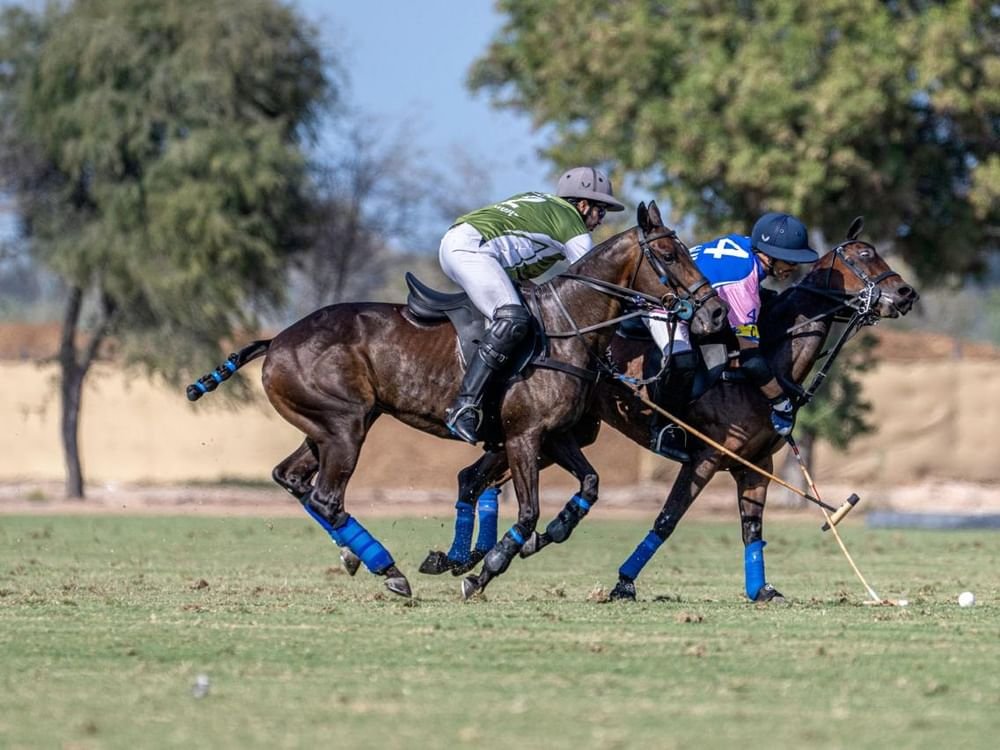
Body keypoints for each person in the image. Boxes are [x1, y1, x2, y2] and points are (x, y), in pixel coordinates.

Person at [440, 166, 626, 444]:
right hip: (472, 250)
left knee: (525, 314)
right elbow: (591, 284)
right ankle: (464, 406)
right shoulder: (571, 225)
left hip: (461, 244)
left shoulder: (540, 200)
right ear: (583, 205)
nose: (601, 219)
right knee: (513, 317)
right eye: (601, 211)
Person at [645, 212, 819, 461]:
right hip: (658, 302)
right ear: (768, 255)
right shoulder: (742, 282)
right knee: (690, 361)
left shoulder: (746, 243)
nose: (794, 266)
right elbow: (750, 357)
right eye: (790, 260)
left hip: (689, 297)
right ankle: (664, 427)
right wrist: (781, 403)